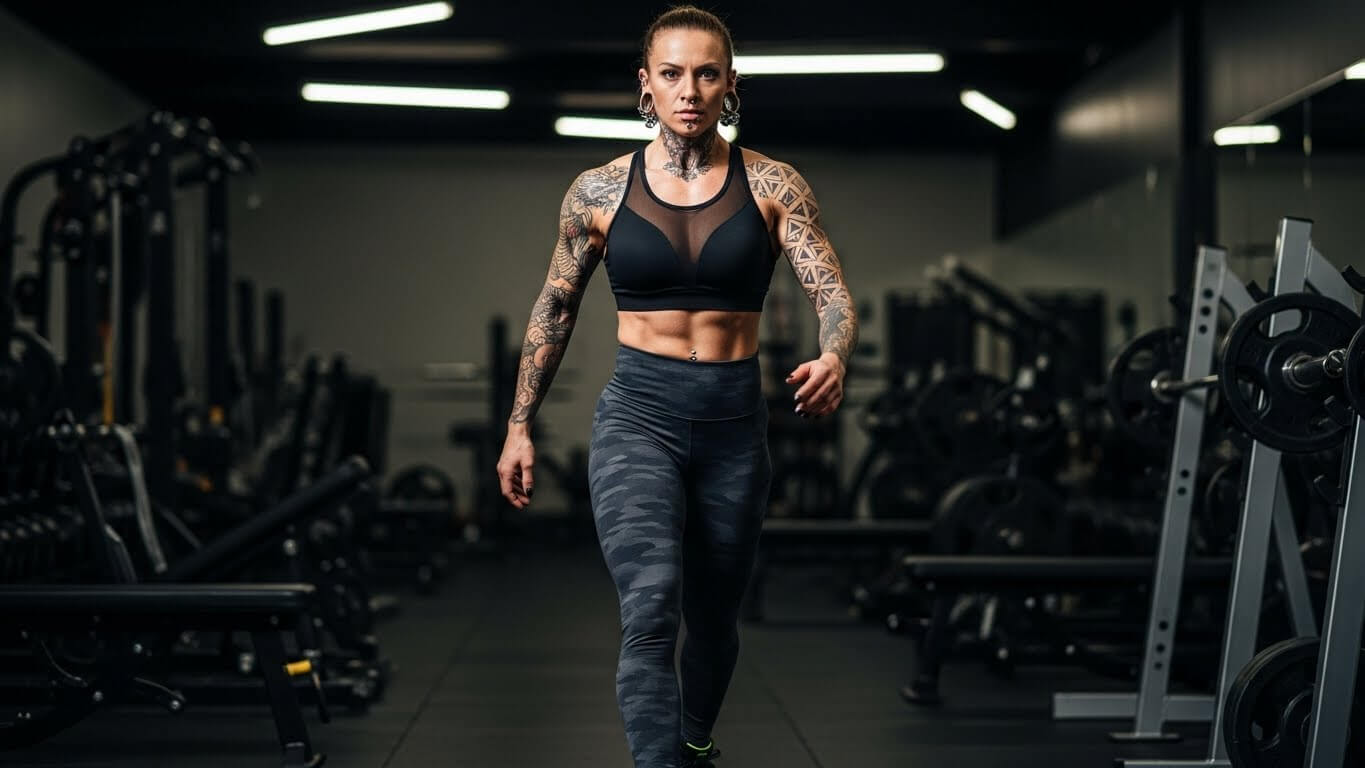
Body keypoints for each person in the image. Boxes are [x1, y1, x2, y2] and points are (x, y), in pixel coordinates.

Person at [496, 6, 857, 767]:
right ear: (645, 87)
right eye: (671, 74)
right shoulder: (596, 192)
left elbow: (830, 291)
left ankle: (691, 741)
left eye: (705, 73)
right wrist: (519, 425)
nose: (687, 89)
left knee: (715, 616)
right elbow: (553, 306)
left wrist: (834, 354)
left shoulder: (772, 183)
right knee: (651, 603)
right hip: (639, 417)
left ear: (729, 85)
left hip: (733, 425)